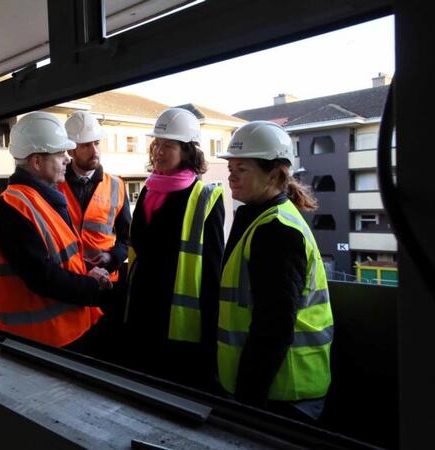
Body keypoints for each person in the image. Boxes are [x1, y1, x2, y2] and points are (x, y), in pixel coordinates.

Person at [216, 120, 334, 422]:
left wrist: (247, 398)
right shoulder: (260, 219)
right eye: (230, 168)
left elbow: (275, 325)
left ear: (274, 174)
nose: (231, 176)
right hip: (272, 390)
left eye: (242, 169)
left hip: (283, 393)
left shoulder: (276, 230)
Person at [0, 111, 113, 351]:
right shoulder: (13, 206)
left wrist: (87, 270)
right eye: (60, 153)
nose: (67, 159)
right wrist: (91, 285)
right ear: (37, 162)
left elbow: (59, 258)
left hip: (67, 331)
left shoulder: (44, 199)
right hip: (42, 342)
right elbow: (41, 276)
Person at [123, 107, 225, 388]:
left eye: (168, 145)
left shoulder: (205, 197)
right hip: (142, 309)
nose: (158, 152)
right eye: (156, 144)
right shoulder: (148, 189)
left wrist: (211, 331)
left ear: (187, 151)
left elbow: (212, 268)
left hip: (178, 319)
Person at [57, 111, 132, 360]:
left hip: (107, 285)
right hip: (71, 282)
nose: (94, 150)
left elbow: (127, 238)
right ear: (71, 150)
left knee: (107, 351)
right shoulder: (54, 185)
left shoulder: (116, 185)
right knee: (76, 352)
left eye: (97, 143)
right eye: (86, 145)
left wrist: (111, 258)